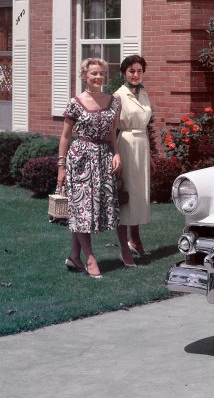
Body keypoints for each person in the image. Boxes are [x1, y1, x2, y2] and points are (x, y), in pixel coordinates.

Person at [57, 58, 123, 278]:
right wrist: (61, 167)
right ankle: (90, 258)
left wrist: (116, 153)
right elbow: (65, 136)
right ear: (84, 75)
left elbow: (111, 133)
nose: (98, 77)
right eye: (93, 73)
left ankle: (74, 256)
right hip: (80, 159)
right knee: (81, 208)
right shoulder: (75, 102)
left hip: (103, 158)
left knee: (86, 211)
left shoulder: (114, 101)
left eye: (101, 73)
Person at [114, 55, 153, 259]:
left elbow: (146, 124)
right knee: (125, 195)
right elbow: (112, 129)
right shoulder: (119, 96)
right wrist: (115, 154)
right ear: (124, 73)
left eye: (139, 71)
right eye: (131, 71)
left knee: (138, 195)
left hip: (142, 145)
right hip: (126, 145)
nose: (136, 75)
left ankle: (135, 240)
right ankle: (123, 248)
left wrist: (151, 155)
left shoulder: (143, 94)